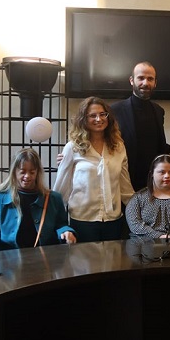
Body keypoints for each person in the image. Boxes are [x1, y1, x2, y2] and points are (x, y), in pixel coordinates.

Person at [54, 96, 135, 242]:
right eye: (92, 115)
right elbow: (62, 187)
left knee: (113, 257)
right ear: (83, 119)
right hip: (83, 220)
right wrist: (57, 221)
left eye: (102, 114)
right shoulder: (72, 147)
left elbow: (125, 186)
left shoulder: (118, 147)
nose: (99, 119)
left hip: (113, 220)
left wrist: (139, 209)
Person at [0, 149, 76, 254]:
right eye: (22, 172)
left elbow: (61, 224)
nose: (27, 176)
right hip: (8, 258)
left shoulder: (54, 198)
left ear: (37, 172)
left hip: (43, 257)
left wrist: (66, 231)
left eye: (32, 172)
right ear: (14, 172)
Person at [111, 61, 170, 190]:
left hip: (153, 182)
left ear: (155, 83)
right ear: (132, 80)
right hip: (125, 181)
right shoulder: (115, 110)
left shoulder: (159, 111)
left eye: (150, 79)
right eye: (141, 78)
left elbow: (160, 146)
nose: (145, 83)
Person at [126, 154, 170, 239]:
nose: (167, 176)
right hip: (143, 244)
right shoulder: (137, 198)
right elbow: (134, 223)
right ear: (152, 174)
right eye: (162, 172)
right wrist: (159, 236)